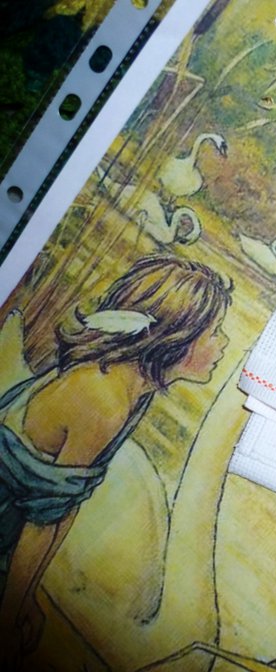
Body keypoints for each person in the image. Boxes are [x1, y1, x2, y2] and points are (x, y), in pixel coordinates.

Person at [0, 255, 231, 664]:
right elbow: (43, 520)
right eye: (214, 332)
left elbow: (64, 507)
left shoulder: (132, 390)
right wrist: (11, 610)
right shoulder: (103, 401)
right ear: (175, 339)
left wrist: (28, 594)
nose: (223, 344)